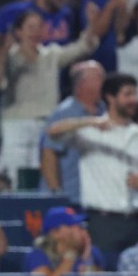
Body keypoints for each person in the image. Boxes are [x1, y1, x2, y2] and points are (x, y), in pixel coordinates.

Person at [44, 72, 138, 267]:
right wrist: (89, 121)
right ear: (110, 97)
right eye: (128, 94)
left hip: (135, 220)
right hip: (103, 222)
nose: (134, 100)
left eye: (135, 94)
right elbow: (52, 132)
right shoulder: (89, 131)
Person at [0, 8, 99, 189]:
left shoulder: (51, 55)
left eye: (40, 27)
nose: (36, 32)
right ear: (18, 32)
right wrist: (3, 55)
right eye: (30, 27)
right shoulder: (9, 57)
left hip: (45, 123)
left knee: (40, 175)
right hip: (16, 124)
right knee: (12, 175)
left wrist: (92, 24)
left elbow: (82, 48)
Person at [40, 60, 105, 204]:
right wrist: (56, 193)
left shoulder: (105, 111)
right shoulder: (64, 113)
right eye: (99, 77)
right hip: (69, 195)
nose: (105, 82)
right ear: (82, 83)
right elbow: (49, 154)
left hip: (95, 198)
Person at [25, 206, 105, 276]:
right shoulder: (37, 255)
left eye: (81, 226)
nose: (81, 230)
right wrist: (70, 255)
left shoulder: (92, 252)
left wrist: (87, 260)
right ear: (55, 233)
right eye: (73, 226)